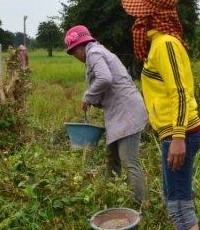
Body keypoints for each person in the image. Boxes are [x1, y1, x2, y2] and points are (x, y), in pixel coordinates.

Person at [122, 0, 200, 230]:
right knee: (174, 201)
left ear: (154, 15)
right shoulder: (159, 44)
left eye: (142, 13)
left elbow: (180, 91)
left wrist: (180, 137)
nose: (137, 20)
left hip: (179, 133)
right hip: (172, 132)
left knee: (180, 204)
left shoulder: (166, 44)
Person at [64, 25, 149, 204]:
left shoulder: (94, 53)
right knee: (112, 159)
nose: (75, 57)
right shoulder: (97, 53)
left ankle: (140, 207)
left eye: (73, 52)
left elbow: (105, 78)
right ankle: (112, 198)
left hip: (128, 112)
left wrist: (87, 96)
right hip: (119, 113)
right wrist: (96, 100)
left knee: (129, 161)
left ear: (79, 47)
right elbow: (108, 84)